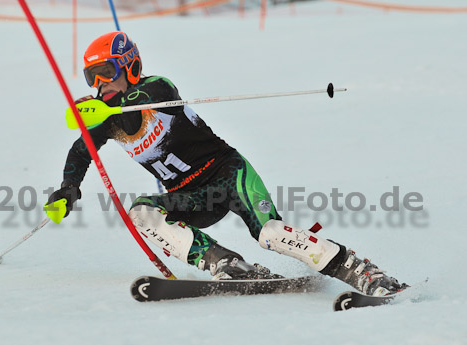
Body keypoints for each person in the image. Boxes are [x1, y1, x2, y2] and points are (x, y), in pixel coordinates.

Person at [47, 31, 407, 296]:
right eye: (91, 78)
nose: (100, 84)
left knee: (270, 234)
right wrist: (68, 189)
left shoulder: (157, 89)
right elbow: (80, 152)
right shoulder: (106, 119)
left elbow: (153, 96)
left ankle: (365, 274)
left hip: (229, 174)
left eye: (106, 72)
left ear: (130, 66)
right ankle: (225, 263)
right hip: (191, 197)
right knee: (142, 212)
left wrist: (107, 108)